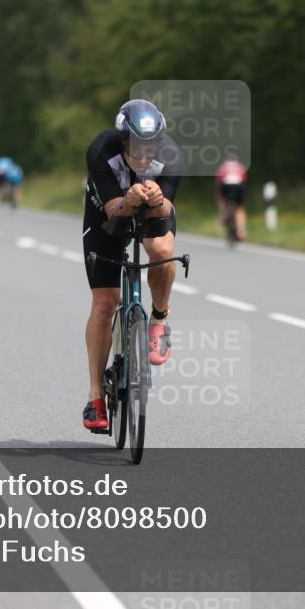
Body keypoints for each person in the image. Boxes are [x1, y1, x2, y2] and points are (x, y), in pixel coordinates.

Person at [81, 99, 183, 431]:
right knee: (105, 303)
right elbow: (114, 212)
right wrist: (130, 199)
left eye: (150, 147)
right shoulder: (101, 151)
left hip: (150, 211)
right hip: (107, 213)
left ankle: (159, 319)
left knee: (162, 249)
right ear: (122, 139)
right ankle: (96, 396)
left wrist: (157, 199)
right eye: (135, 146)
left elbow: (166, 210)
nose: (143, 155)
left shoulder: (171, 155)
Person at [215, 160, 248, 241]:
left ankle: (225, 214)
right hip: (239, 186)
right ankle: (241, 230)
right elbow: (245, 180)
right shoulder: (240, 167)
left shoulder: (222, 167)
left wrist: (219, 199)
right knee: (240, 208)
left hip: (225, 186)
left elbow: (218, 184)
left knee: (223, 200)